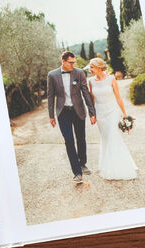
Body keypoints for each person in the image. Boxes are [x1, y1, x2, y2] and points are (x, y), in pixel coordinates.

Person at [47, 51, 96, 184]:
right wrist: (51, 115)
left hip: (78, 110)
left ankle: (83, 163)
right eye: (71, 62)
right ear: (63, 61)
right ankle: (77, 172)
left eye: (74, 62)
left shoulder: (79, 73)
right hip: (63, 112)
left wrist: (92, 113)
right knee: (69, 140)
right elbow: (50, 96)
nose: (74, 64)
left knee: (81, 138)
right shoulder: (52, 75)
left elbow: (86, 93)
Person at [88, 58, 137, 180]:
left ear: (98, 67)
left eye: (92, 67)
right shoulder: (91, 82)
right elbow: (92, 100)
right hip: (100, 113)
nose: (90, 69)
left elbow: (119, 98)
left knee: (113, 136)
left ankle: (120, 168)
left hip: (112, 111)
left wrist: (125, 114)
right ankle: (107, 166)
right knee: (105, 138)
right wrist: (92, 115)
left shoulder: (111, 79)